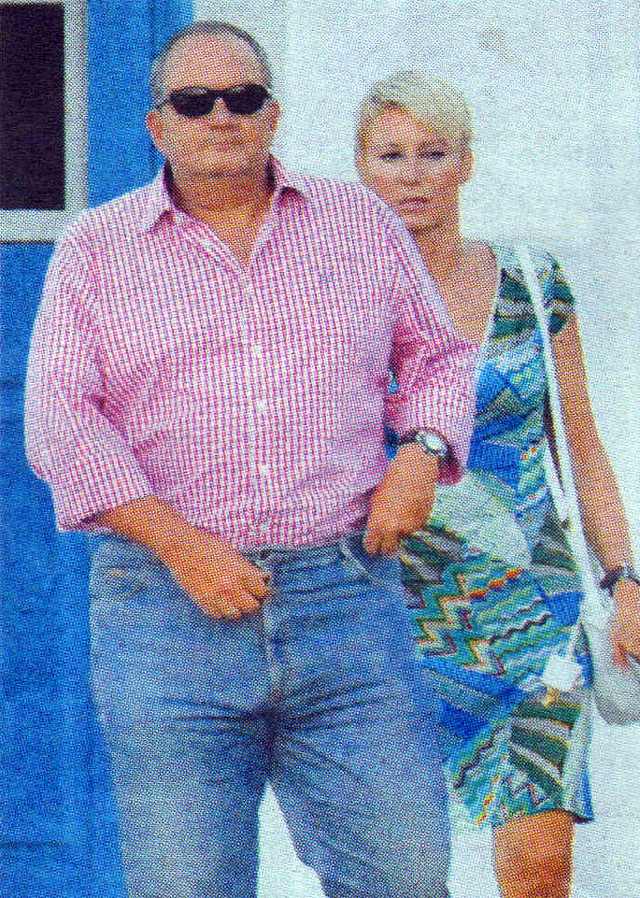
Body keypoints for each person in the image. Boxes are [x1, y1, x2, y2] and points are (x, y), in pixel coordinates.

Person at [24, 24, 476, 898]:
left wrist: (423, 452)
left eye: (243, 97)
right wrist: (180, 544)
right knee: (188, 886)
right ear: (158, 126)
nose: (221, 116)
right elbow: (59, 419)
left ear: (273, 114)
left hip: (346, 600)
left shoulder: (360, 223)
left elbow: (440, 356)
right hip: (168, 611)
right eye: (195, 101)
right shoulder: (97, 248)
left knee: (408, 878)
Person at [355, 70, 640, 898]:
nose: (413, 174)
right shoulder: (337, 295)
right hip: (385, 611)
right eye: (391, 155)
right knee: (397, 874)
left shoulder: (532, 282)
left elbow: (582, 449)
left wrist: (624, 579)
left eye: (434, 152)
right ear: (363, 169)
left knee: (540, 869)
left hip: (532, 611)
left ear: (467, 163)